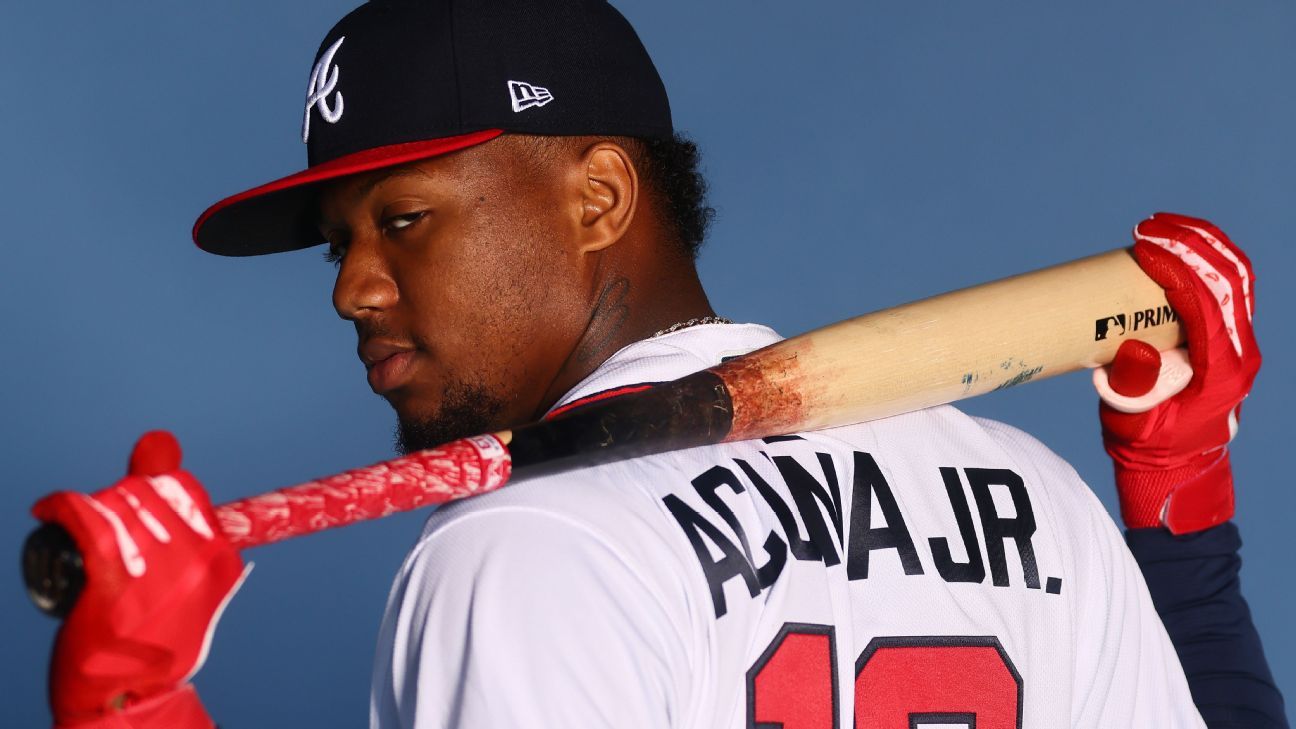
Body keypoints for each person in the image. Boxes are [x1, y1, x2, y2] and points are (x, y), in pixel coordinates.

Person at [29, 1, 1286, 727]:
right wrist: (1183, 527)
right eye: (338, 248)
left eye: (404, 221)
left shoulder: (523, 553)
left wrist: (142, 715)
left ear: (600, 196)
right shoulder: (1034, 499)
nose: (356, 287)